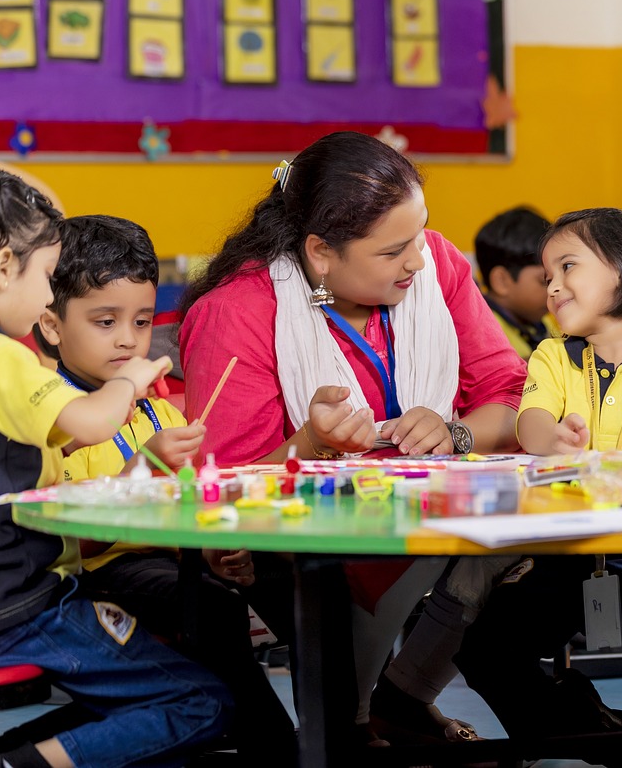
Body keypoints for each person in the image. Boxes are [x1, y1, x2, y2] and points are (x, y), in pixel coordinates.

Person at [177, 130, 527, 744]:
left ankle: (401, 699)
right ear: (320, 254)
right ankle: (355, 728)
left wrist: (458, 431)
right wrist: (313, 443)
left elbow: (511, 395)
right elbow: (224, 490)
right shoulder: (239, 311)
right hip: (299, 541)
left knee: (533, 555)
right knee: (336, 609)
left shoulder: (438, 266)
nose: (418, 260)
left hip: (427, 516)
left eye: (421, 233)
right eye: (394, 251)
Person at [0, 171, 231, 768]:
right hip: (20, 608)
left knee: (151, 694)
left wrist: (142, 461)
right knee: (201, 700)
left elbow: (53, 440)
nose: (45, 299)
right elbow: (89, 424)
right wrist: (133, 377)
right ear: (5, 268)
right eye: (45, 277)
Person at [34, 214, 297, 765]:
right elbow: (73, 542)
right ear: (52, 325)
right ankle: (270, 741)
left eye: (142, 321)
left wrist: (211, 549)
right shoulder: (53, 412)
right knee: (212, 609)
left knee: (272, 581)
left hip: (163, 565)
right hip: (89, 578)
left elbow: (184, 510)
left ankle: (290, 730)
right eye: (105, 321)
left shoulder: (156, 410)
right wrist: (143, 468)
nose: (129, 339)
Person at [455, 208, 622, 748]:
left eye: (567, 267)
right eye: (547, 275)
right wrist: (551, 438)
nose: (552, 287)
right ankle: (596, 736)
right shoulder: (554, 357)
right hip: (570, 552)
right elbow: (530, 423)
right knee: (483, 650)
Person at [474, 205, 559, 360]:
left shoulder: (542, 318)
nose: (555, 289)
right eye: (544, 281)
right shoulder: (483, 332)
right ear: (502, 281)